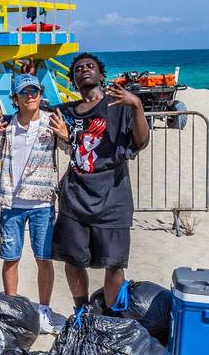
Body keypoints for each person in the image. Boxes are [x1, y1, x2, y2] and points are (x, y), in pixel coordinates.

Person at [51, 53, 150, 312]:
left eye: (90, 66)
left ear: (101, 75)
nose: (84, 70)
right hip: (74, 197)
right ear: (73, 79)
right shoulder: (66, 112)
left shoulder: (119, 106)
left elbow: (140, 142)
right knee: (72, 260)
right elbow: (30, 111)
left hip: (112, 196)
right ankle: (81, 311)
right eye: (78, 68)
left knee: (114, 263)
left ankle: (110, 313)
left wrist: (137, 105)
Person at [0, 75, 65, 333]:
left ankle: (43, 311)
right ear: (16, 98)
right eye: (24, 92)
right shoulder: (7, 125)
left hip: (42, 202)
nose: (30, 96)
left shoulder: (50, 122)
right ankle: (13, 310)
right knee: (11, 258)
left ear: (40, 94)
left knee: (44, 258)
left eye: (34, 91)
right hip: (11, 202)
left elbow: (69, 148)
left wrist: (65, 135)